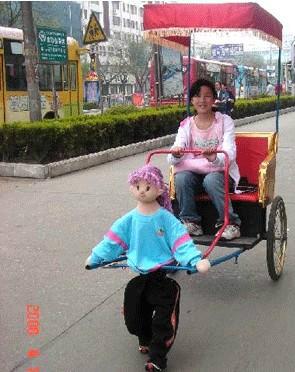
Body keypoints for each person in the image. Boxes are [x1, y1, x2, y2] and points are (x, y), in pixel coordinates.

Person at [85, 164, 210, 372]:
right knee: (134, 317)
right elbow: (113, 240)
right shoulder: (129, 219)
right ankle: (144, 338)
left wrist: (195, 260)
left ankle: (157, 358)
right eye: (137, 185)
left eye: (148, 186)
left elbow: (181, 242)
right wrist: (96, 257)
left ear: (160, 190)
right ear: (131, 187)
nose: (142, 190)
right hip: (140, 277)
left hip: (162, 278)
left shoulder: (166, 219)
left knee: (163, 322)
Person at [168, 78, 241, 241]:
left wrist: (215, 158)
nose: (202, 100)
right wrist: (176, 153)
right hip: (195, 175)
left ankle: (231, 223)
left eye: (207, 96)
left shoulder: (225, 121)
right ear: (192, 100)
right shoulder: (186, 125)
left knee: (211, 179)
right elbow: (174, 152)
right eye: (197, 96)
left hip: (221, 173)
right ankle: (190, 221)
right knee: (181, 178)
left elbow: (230, 152)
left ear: (214, 99)